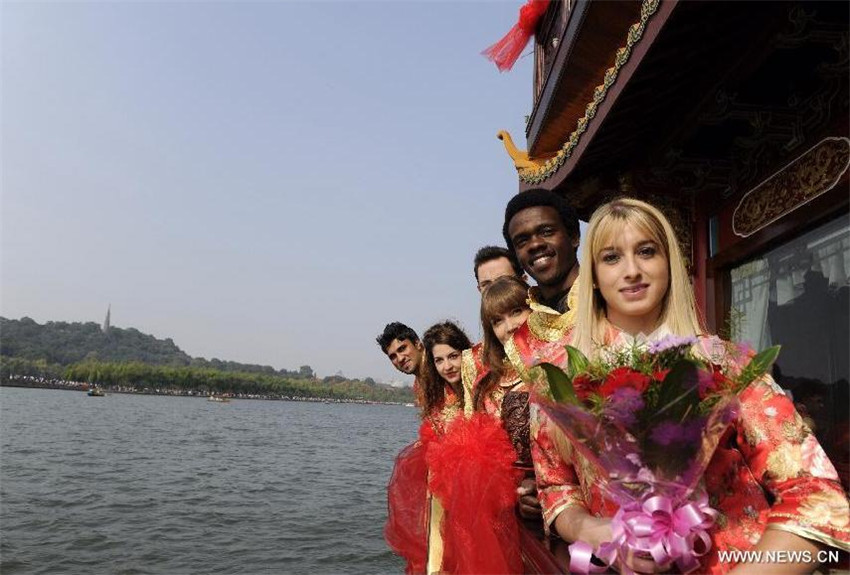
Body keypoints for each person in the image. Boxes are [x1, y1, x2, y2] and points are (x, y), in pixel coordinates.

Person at [530, 197, 850, 574]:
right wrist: (595, 529)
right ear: (594, 277)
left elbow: (816, 496)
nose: (632, 270)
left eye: (647, 251)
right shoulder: (561, 379)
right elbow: (556, 488)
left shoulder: (726, 365)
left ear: (669, 264)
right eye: (612, 257)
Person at [386, 320, 522, 574]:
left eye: (453, 356)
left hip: (487, 482)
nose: (447, 366)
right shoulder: (428, 387)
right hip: (450, 486)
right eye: (393, 356)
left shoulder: (482, 380)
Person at [501, 189, 582, 372]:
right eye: (522, 241)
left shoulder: (610, 299)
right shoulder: (520, 342)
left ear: (574, 236)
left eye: (546, 231)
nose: (535, 244)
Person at [376, 322, 427, 406]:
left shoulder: (444, 370)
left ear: (417, 344)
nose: (400, 359)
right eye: (393, 356)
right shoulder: (418, 385)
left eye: (402, 349)